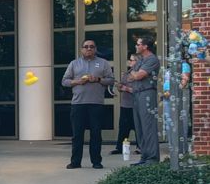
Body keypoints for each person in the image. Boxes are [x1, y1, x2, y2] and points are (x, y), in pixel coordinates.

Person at [61, 39, 114, 170]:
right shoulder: (74, 64)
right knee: (77, 134)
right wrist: (78, 82)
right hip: (78, 104)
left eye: (91, 47)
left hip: (96, 103)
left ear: (95, 49)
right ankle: (75, 162)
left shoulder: (103, 63)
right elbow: (64, 81)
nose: (89, 49)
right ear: (81, 49)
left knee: (96, 134)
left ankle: (96, 161)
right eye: (86, 47)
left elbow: (111, 80)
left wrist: (98, 79)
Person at [123, 35, 160, 164]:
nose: (136, 46)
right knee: (139, 127)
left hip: (147, 93)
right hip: (137, 94)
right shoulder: (140, 60)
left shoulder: (152, 59)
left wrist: (133, 72)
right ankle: (144, 156)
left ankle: (152, 158)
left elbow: (137, 76)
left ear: (145, 46)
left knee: (148, 125)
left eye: (138, 44)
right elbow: (129, 78)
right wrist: (134, 72)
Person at [112, 53, 138, 156]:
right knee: (123, 127)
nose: (130, 62)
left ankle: (140, 147)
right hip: (125, 104)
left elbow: (140, 90)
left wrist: (126, 89)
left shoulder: (141, 73)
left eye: (132, 60)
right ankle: (120, 147)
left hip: (136, 105)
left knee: (137, 127)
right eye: (130, 60)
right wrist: (119, 86)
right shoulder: (127, 73)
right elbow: (121, 87)